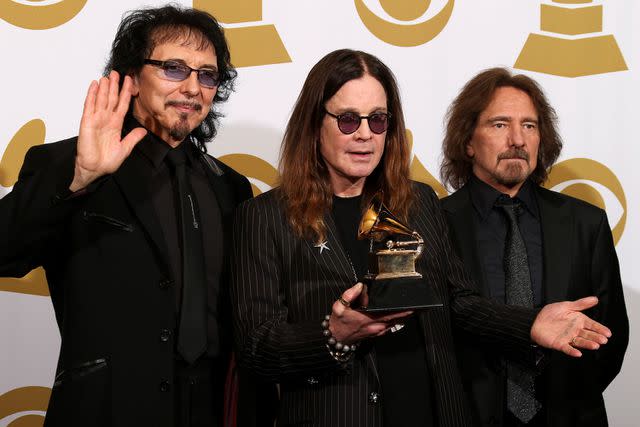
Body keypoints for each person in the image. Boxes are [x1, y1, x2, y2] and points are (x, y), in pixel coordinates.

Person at [230, 50, 612, 427]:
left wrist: (528, 324)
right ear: (315, 124)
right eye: (348, 120)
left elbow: (460, 303)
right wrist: (334, 335)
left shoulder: (420, 202)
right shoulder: (264, 217)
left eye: (378, 120)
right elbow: (256, 349)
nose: (365, 134)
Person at [0, 5, 253, 427]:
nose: (193, 87)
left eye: (207, 75)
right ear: (131, 79)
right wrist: (80, 179)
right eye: (174, 68)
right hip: (105, 411)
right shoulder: (66, 164)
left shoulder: (232, 186)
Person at [440, 67, 629, 426]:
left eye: (529, 126)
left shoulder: (585, 223)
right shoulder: (434, 223)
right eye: (499, 125)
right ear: (467, 141)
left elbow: (609, 340)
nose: (517, 139)